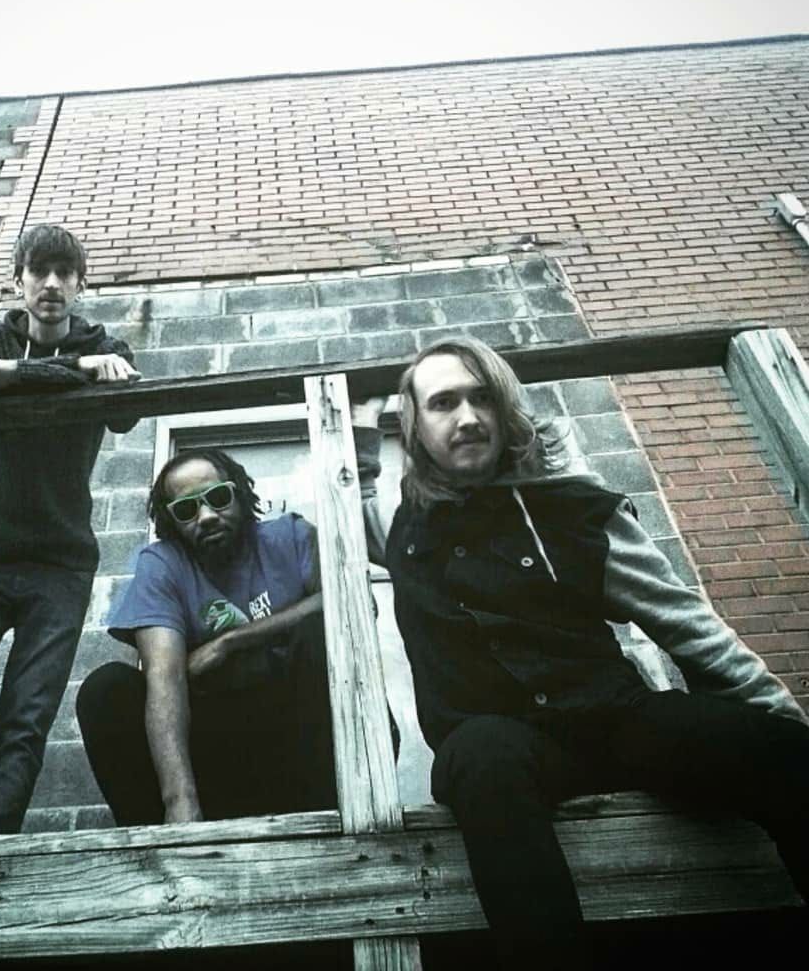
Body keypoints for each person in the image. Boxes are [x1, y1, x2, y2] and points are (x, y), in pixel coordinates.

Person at [357, 335, 809, 970]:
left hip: (613, 722)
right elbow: (352, 492)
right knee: (481, 752)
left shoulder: (574, 509)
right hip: (503, 752)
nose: (468, 417)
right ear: (414, 424)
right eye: (444, 402)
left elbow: (685, 622)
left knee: (781, 749)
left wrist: (781, 724)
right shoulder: (401, 527)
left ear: (504, 409)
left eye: (483, 398)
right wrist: (357, 412)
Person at [0, 223, 139, 836]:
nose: (51, 284)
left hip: (61, 564)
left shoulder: (108, 344)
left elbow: (127, 411)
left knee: (25, 721)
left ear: (80, 284)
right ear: (18, 281)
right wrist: (81, 371)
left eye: (64, 273)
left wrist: (25, 375)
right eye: (38, 272)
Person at [76, 448, 340, 824]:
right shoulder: (163, 563)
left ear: (240, 494)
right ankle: (164, 845)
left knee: (321, 633)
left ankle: (335, 816)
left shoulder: (291, 536)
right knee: (107, 689)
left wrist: (229, 642)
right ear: (171, 522)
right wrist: (179, 802)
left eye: (218, 498)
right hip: (218, 759)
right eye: (186, 509)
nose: (207, 516)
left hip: (302, 752)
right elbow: (164, 676)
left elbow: (345, 604)